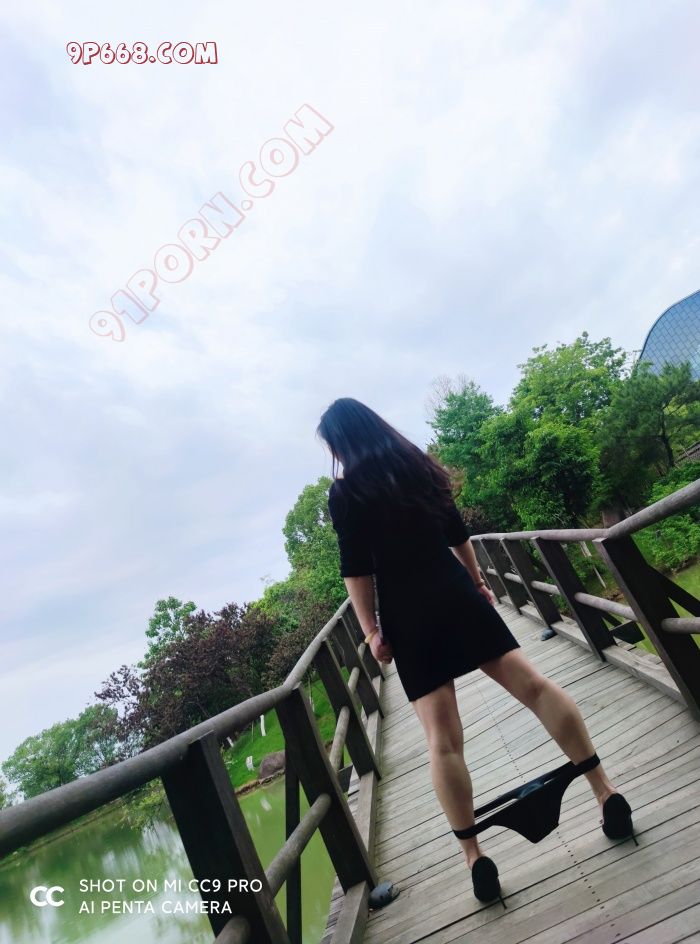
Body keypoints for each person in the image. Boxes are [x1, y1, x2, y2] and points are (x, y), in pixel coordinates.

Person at [316, 396, 634, 907]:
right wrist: (478, 582)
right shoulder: (417, 465)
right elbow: (457, 533)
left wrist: (372, 631)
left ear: (340, 444)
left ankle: (474, 856)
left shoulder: (346, 492)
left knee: (442, 740)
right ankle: (604, 789)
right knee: (535, 687)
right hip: (453, 592)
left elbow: (355, 568)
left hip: (408, 615)